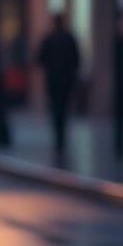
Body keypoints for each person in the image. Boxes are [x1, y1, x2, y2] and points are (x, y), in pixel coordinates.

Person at [36, 10, 81, 156]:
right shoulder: (69, 38)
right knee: (62, 107)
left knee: (56, 108)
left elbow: (39, 59)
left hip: (54, 80)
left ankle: (59, 137)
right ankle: (61, 137)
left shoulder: (49, 38)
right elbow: (77, 59)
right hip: (65, 79)